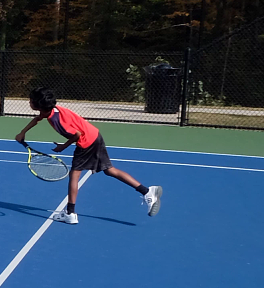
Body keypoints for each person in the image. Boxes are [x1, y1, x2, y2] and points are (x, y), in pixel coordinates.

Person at [15, 87, 161, 224]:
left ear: (37, 104)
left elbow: (76, 135)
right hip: (95, 135)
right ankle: (147, 191)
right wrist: (23, 132)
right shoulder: (52, 110)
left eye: (30, 100)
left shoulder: (57, 120)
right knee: (109, 170)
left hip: (86, 143)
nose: (29, 102)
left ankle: (70, 214)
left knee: (74, 175)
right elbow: (38, 118)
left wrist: (62, 147)